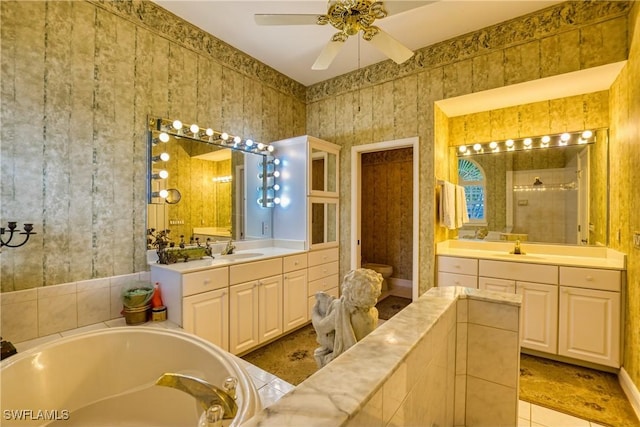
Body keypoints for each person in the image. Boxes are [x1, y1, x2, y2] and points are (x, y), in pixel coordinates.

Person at [311, 268, 382, 368]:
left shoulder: (342, 313)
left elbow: (321, 327)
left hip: (349, 355)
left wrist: (314, 312)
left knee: (319, 351)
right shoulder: (374, 312)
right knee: (336, 303)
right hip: (365, 352)